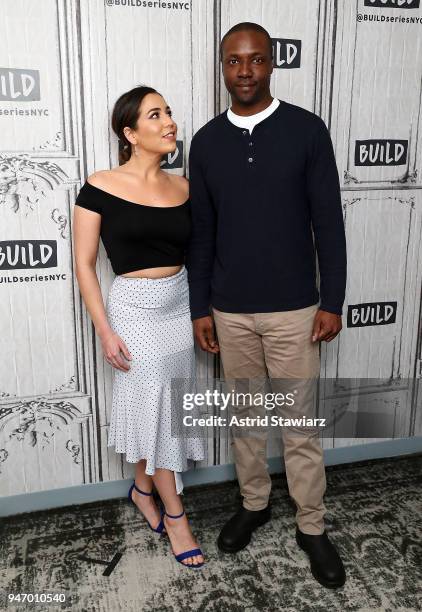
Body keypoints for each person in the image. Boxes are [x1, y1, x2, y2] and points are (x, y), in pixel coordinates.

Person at [186, 23, 347, 587]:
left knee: (299, 426)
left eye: (256, 60)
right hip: (230, 311)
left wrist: (334, 299)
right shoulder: (206, 142)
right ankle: (254, 505)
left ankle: (312, 525)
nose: (246, 71)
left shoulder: (306, 130)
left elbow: (328, 220)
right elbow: (202, 232)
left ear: (272, 64)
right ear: (224, 67)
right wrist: (200, 307)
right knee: (247, 421)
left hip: (295, 310)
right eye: (235, 61)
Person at [73, 85, 205, 569]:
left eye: (169, 111)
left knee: (163, 410)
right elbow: (85, 265)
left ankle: (141, 491)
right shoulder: (100, 184)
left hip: (179, 306)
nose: (169, 121)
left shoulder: (186, 187)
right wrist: (106, 331)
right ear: (130, 133)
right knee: (162, 412)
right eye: (156, 115)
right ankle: (176, 518)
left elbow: (200, 254)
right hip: (134, 312)